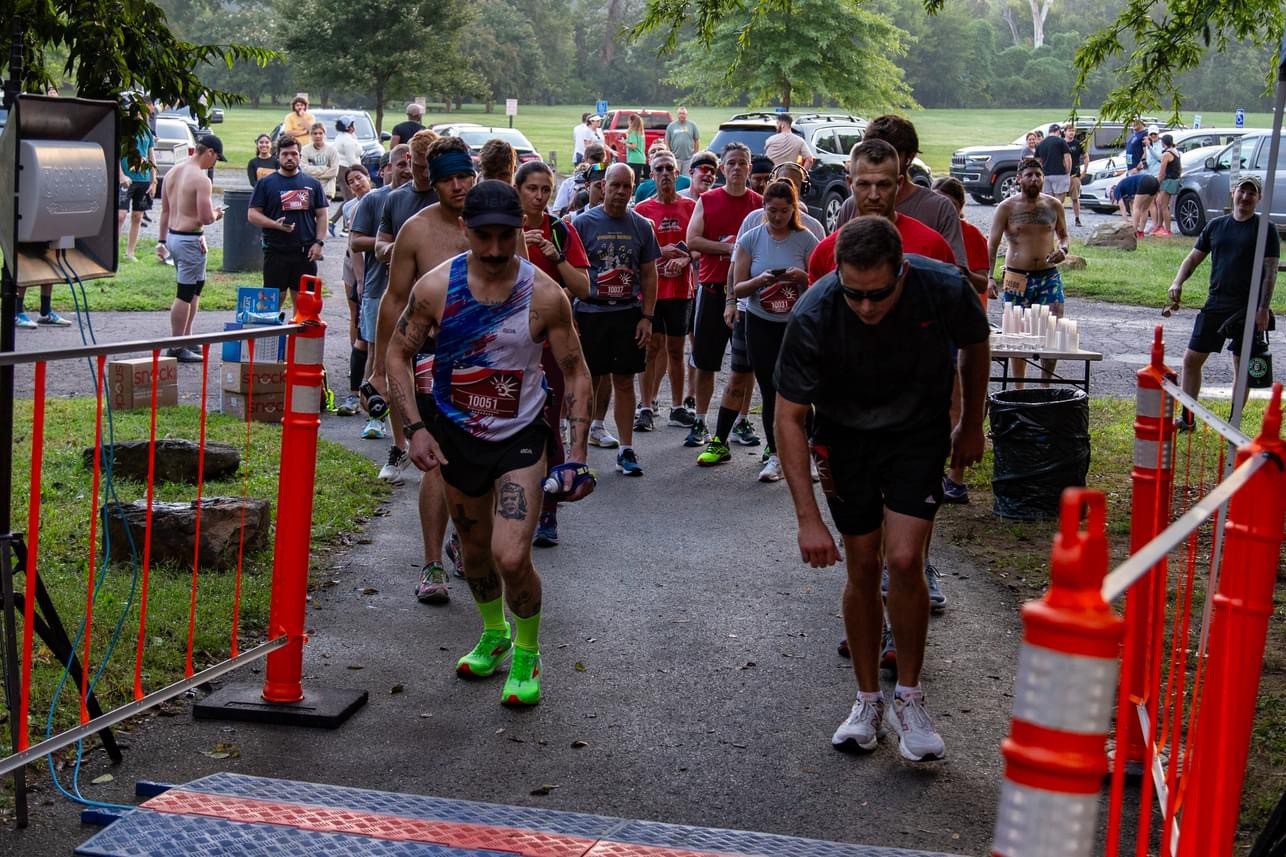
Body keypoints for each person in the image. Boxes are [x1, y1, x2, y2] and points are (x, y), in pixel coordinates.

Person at [775, 215, 989, 762]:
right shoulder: (815, 313)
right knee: (863, 565)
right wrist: (807, 518)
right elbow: (788, 419)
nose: (866, 307)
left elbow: (975, 344)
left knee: (904, 559)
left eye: (878, 295)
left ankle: (911, 698)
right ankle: (867, 700)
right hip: (846, 442)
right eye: (855, 295)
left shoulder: (942, 286)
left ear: (902, 271)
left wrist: (970, 423)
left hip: (917, 434)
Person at [384, 180, 596, 707]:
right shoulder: (435, 289)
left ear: (520, 231)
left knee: (509, 555)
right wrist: (415, 428)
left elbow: (576, 372)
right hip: (456, 439)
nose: (497, 249)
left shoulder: (544, 295)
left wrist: (576, 456)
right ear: (464, 230)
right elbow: (396, 356)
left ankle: (527, 651)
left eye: (507, 236)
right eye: (484, 237)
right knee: (474, 557)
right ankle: (494, 632)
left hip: (519, 440)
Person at [374, 134, 478, 604]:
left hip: (488, 360)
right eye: (449, 180)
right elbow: (393, 301)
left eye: (465, 177)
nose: (459, 186)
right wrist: (379, 367)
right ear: (432, 183)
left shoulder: (494, 220)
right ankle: (432, 562)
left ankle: (462, 541)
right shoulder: (416, 231)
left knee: (480, 466)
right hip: (434, 359)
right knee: (436, 462)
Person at [719, 180, 818, 481]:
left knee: (800, 390)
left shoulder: (806, 239)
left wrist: (802, 277)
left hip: (794, 324)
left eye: (784, 211)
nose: (778, 217)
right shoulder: (750, 238)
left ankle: (808, 455)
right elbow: (738, 286)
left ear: (794, 209)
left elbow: (820, 285)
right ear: (763, 209)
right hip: (760, 322)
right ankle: (775, 456)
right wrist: (760, 280)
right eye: (772, 211)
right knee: (770, 391)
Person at [516, 161, 591, 546]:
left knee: (549, 426)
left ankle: (549, 510)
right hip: (509, 349)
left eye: (546, 189)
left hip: (551, 347)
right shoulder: (503, 230)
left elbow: (583, 288)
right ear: (518, 190)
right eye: (532, 188)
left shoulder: (561, 230)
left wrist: (555, 256)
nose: (540, 196)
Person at [1167, 174, 1279, 430]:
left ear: (1258, 199)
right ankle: (1187, 417)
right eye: (1242, 191)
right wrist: (1177, 282)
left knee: (1241, 366)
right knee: (1191, 359)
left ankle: (1233, 423)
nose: (1246, 197)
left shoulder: (1265, 230)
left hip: (1247, 307)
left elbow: (1270, 271)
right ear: (1234, 193)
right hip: (1216, 302)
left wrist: (1262, 309)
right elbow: (1193, 258)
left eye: (1252, 193)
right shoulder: (1216, 226)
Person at [572, 163, 660, 475]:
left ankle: (626, 449)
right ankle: (579, 452)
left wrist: (647, 317)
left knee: (624, 381)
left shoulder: (641, 226)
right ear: (603, 186)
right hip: (590, 312)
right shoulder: (582, 223)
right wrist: (572, 316)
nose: (621, 192)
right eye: (616, 185)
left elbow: (649, 274)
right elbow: (570, 271)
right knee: (588, 381)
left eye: (627, 186)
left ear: (633, 188)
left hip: (626, 313)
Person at [684, 143, 762, 449]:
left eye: (743, 163)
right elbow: (692, 240)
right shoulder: (708, 199)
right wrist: (729, 248)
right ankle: (701, 421)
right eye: (731, 163)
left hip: (746, 294)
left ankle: (741, 420)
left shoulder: (758, 204)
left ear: (749, 168)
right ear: (722, 168)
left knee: (746, 365)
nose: (737, 168)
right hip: (713, 288)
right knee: (706, 361)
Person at [809, 140, 955, 283]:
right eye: (864, 184)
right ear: (850, 184)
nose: (874, 195)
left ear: (899, 184)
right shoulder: (825, 253)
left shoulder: (932, 246)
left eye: (884, 185)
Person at [835, 116, 967, 267]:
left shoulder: (939, 209)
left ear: (909, 158)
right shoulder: (851, 206)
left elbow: (956, 274)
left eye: (891, 152)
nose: (879, 156)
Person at [349, 144, 412, 446]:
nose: (406, 168)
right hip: (378, 289)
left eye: (411, 163)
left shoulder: (425, 200)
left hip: (414, 292)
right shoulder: (375, 199)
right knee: (377, 355)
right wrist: (391, 242)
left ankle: (411, 423)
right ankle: (376, 417)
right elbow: (355, 241)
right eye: (400, 163)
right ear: (387, 167)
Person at [934, 175, 991, 505]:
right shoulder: (930, 234)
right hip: (934, 323)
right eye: (941, 205)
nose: (946, 212)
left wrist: (961, 273)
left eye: (952, 207)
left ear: (960, 208)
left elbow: (983, 282)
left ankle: (956, 477)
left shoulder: (971, 235)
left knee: (960, 401)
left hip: (964, 324)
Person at [987, 157, 1070, 383]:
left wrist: (1063, 250)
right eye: (1029, 175)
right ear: (1019, 179)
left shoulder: (1054, 205)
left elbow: (1064, 236)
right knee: (1016, 334)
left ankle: (1045, 385)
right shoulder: (1006, 208)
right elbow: (992, 244)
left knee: (1053, 328)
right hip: (1017, 276)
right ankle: (1019, 387)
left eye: (1038, 175)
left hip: (1048, 275)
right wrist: (989, 277)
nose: (1034, 179)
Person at [634, 149, 697, 434]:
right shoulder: (643, 210)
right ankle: (646, 406)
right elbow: (635, 253)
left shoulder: (691, 206)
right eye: (659, 169)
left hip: (681, 289)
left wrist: (686, 258)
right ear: (651, 175)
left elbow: (697, 244)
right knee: (651, 348)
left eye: (669, 169)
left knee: (676, 349)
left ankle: (676, 406)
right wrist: (662, 254)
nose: (665, 175)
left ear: (677, 173)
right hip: (652, 292)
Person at [156, 133, 227, 363]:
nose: (214, 163)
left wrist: (162, 241)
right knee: (185, 293)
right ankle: (176, 345)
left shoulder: (173, 172)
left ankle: (186, 337)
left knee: (196, 287)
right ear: (209, 152)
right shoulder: (201, 179)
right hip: (188, 240)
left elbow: (165, 211)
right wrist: (218, 213)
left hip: (176, 237)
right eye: (216, 158)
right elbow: (205, 218)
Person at [247, 135, 327, 304]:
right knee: (273, 302)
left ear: (300, 156)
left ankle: (296, 332)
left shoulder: (313, 184)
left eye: (294, 154)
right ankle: (273, 331)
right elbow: (252, 214)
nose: (289, 157)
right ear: (277, 156)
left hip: (305, 252)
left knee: (304, 303)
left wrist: (318, 243)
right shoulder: (266, 183)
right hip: (276, 251)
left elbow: (321, 215)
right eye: (285, 154)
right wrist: (274, 225)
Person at [336, 166, 375, 415]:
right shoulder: (351, 207)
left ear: (369, 178)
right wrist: (360, 280)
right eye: (351, 181)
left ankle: (369, 390)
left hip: (374, 270)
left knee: (373, 339)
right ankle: (355, 391)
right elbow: (354, 245)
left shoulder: (380, 198)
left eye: (359, 178)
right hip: (356, 265)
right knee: (360, 325)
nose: (357, 183)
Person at [117, 119, 156, 263]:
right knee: (120, 216)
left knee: (138, 216)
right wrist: (121, 175)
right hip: (126, 180)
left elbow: (151, 155)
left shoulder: (147, 131)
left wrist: (153, 180)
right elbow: (116, 155)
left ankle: (130, 253)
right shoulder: (124, 131)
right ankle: (113, 252)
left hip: (143, 180)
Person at [553, 143, 606, 214]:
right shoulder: (611, 182)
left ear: (584, 157)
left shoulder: (570, 182)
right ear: (604, 158)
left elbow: (557, 211)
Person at [331, 116, 363, 227]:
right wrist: (361, 172)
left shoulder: (342, 137)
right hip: (346, 170)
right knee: (351, 200)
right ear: (349, 127)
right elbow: (351, 160)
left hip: (341, 169)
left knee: (349, 199)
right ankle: (345, 225)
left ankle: (335, 222)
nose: (355, 126)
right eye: (353, 124)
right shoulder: (348, 140)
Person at [1110, 170, 1160, 238]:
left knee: (1136, 207)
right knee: (1144, 209)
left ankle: (1134, 232)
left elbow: (1122, 207)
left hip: (1145, 181)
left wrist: (1126, 220)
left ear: (1111, 192)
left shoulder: (1116, 190)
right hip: (1154, 181)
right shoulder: (1125, 187)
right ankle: (1141, 232)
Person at [302, 122, 339, 205]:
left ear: (324, 134)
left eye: (320, 133)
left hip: (327, 189)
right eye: (315, 133)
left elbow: (334, 171)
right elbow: (304, 169)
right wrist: (325, 168)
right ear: (311, 135)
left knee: (323, 215)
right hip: (309, 187)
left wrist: (316, 175)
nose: (318, 136)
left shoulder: (332, 150)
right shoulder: (305, 150)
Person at [1034, 123, 1072, 204]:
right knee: (1059, 201)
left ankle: (1050, 216)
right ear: (1058, 131)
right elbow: (1067, 158)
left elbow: (1037, 161)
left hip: (1046, 175)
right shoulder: (1061, 141)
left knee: (1048, 201)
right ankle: (1057, 216)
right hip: (1060, 174)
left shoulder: (1041, 144)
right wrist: (1068, 171)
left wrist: (1041, 172)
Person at [1154, 134, 1180, 237]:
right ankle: (1159, 226)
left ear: (1163, 143)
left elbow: (1162, 172)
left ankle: (1168, 230)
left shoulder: (1166, 154)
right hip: (1174, 180)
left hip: (1168, 181)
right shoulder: (1176, 152)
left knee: (1163, 205)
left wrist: (1157, 182)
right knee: (1159, 202)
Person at [1064, 125, 1088, 227]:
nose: (1071, 133)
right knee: (1059, 198)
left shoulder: (1078, 144)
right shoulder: (1061, 143)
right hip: (1062, 175)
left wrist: (1085, 170)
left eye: (1073, 131)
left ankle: (1077, 218)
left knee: (1075, 198)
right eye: (1069, 131)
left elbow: (1086, 156)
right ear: (1065, 132)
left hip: (1074, 174)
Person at [665, 106, 700, 174]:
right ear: (677, 115)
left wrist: (695, 153)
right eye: (680, 113)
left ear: (686, 115)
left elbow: (697, 140)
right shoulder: (671, 126)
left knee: (687, 179)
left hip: (688, 159)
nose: (682, 115)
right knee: (675, 178)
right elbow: (667, 141)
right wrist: (669, 153)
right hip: (675, 158)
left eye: (683, 113)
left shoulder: (692, 125)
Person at [624, 113, 647, 184]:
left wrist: (624, 143)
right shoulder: (640, 133)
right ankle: (637, 194)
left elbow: (634, 146)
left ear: (631, 121)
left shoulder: (632, 133)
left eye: (628, 120)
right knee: (637, 180)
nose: (627, 122)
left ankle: (633, 194)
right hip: (641, 159)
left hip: (633, 159)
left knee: (631, 180)